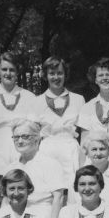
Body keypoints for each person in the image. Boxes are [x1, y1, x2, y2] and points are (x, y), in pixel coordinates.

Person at [33, 56, 85, 197]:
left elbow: (85, 134)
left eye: (60, 73)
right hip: (47, 150)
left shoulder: (78, 100)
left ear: (65, 75)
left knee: (73, 193)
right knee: (48, 192)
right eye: (52, 73)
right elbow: (34, 135)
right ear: (45, 75)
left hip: (71, 149)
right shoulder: (36, 102)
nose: (56, 77)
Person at [0, 52, 36, 184]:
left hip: (21, 149)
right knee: (1, 195)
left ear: (17, 71)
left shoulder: (29, 97)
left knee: (22, 192)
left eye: (12, 70)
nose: (8, 73)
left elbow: (35, 131)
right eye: (4, 69)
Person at [6, 119, 67, 218]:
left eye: (25, 136)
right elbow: (6, 201)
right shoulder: (11, 167)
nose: (20, 141)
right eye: (16, 137)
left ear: (36, 139)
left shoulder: (50, 164)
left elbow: (59, 198)